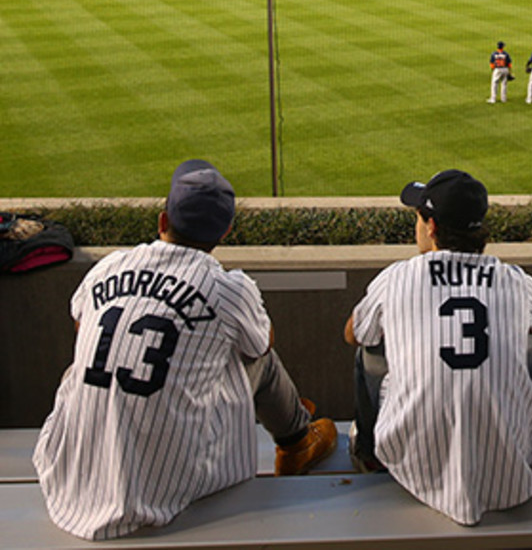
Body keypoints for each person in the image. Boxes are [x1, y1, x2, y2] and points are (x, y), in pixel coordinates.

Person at [33, 160, 337, 540]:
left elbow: (82, 325)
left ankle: (294, 433)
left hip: (69, 475)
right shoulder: (229, 289)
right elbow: (262, 343)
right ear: (225, 231)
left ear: (163, 221)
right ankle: (296, 442)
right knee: (254, 358)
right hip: (168, 491)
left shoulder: (107, 267)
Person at [343, 169, 532, 525]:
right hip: (512, 470)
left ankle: (368, 451)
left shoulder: (398, 277)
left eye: (419, 218)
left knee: (370, 350)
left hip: (411, 463)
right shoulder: (511, 279)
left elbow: (352, 333)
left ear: (433, 227)